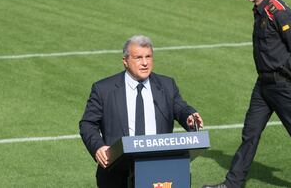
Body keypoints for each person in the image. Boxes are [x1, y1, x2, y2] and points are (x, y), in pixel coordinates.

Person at [203, 0, 291, 188]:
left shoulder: (278, 11)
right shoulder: (260, 10)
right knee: (250, 133)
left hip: (282, 85)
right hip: (264, 85)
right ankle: (233, 183)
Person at [79, 35, 204, 188]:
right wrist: (98, 147)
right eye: (138, 58)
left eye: (148, 57)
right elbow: (87, 124)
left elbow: (180, 107)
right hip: (117, 173)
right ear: (125, 61)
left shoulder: (166, 85)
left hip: (159, 171)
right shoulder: (104, 89)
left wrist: (189, 116)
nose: (145, 63)